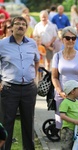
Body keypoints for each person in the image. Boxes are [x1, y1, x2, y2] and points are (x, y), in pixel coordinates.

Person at [0, 16, 40, 150]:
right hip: (9, 89)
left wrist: (35, 79)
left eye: (23, 24)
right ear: (11, 27)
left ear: (26, 28)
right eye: (17, 23)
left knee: (28, 123)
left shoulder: (32, 43)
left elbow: (37, 61)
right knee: (7, 123)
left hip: (29, 89)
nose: (21, 26)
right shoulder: (2, 44)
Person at [52, 26, 78, 130]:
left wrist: (77, 90)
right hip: (62, 93)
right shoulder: (57, 56)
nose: (71, 40)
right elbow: (54, 77)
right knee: (62, 123)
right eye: (67, 38)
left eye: (73, 38)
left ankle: (77, 143)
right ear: (62, 39)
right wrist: (59, 91)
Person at [59, 80, 78, 150]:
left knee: (77, 147)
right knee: (67, 147)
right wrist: (73, 121)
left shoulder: (77, 102)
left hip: (77, 129)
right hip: (68, 130)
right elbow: (62, 116)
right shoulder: (65, 103)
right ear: (72, 91)